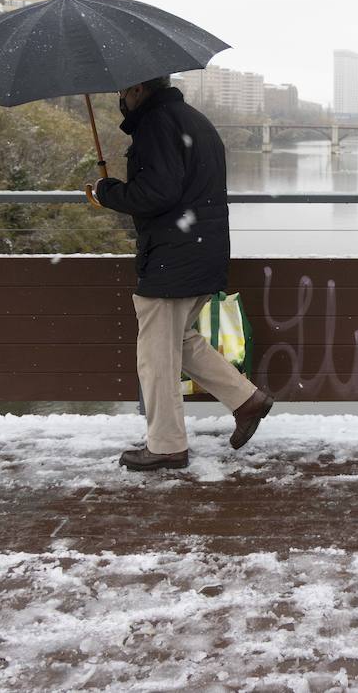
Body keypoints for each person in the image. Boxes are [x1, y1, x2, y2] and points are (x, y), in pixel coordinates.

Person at [93, 75, 274, 471]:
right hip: (200, 249)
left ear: (138, 89)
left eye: (122, 90)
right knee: (182, 340)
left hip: (171, 257)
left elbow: (156, 193)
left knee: (155, 356)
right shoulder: (194, 120)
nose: (120, 98)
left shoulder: (157, 125)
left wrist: (106, 193)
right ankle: (247, 399)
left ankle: (166, 444)